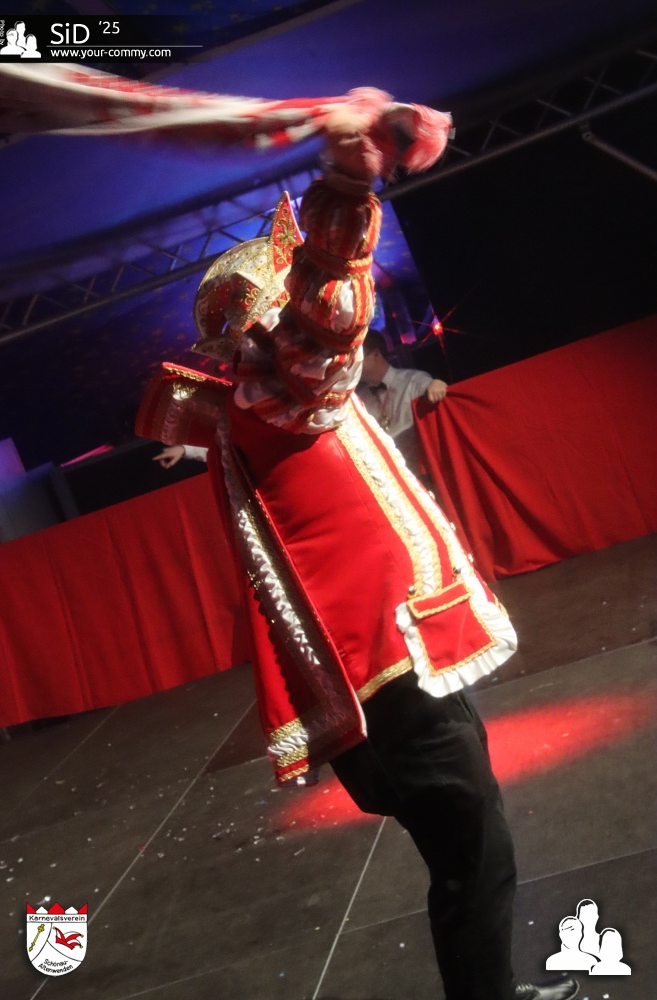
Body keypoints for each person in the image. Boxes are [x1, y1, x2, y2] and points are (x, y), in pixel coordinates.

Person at [138, 93, 577, 1000]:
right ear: (263, 321)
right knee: (474, 860)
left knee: (472, 852)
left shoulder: (262, 407)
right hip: (387, 680)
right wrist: (345, 185)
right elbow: (326, 322)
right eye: (282, 300)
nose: (293, 318)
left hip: (392, 670)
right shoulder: (273, 396)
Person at [357, 327, 447, 471]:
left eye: (357, 360)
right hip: (387, 473)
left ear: (376, 354)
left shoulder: (413, 380)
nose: (353, 367)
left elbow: (436, 392)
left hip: (422, 471)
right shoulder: (360, 398)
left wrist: (436, 385)